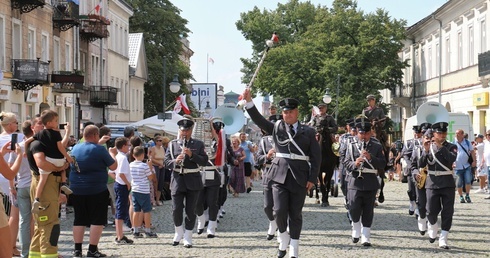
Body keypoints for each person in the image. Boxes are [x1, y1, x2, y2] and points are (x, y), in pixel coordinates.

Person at [242, 88, 320, 258]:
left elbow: (316, 157)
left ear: (297, 112)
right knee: (278, 210)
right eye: (285, 112)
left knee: (295, 213)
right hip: (279, 175)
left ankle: (294, 248)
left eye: (291, 112)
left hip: (300, 177)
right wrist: (249, 102)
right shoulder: (277, 128)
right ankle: (283, 237)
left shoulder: (309, 132)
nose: (287, 115)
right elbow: (260, 121)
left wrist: (312, 178)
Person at [70, 125, 117, 257]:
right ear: (96, 135)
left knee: (79, 219)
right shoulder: (100, 149)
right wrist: (112, 154)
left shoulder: (75, 148)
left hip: (77, 189)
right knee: (97, 220)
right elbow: (114, 166)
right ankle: (92, 249)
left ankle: (77, 250)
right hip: (96, 189)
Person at [27, 114, 69, 258]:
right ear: (34, 128)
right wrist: (59, 168)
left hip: (50, 185)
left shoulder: (45, 143)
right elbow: (42, 164)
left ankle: (35, 254)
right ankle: (49, 255)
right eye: (39, 123)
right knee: (50, 226)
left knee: (41, 227)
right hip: (45, 185)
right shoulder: (37, 144)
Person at [165, 118, 208, 248]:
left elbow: (204, 161)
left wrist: (191, 155)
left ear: (191, 130)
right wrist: (175, 161)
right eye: (182, 130)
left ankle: (188, 236)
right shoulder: (172, 144)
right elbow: (166, 162)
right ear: (180, 130)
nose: (184, 133)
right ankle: (178, 232)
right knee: (176, 209)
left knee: (191, 210)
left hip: (193, 180)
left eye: (187, 130)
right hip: (178, 179)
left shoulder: (198, 144)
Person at [344, 119, 386, 247]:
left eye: (366, 133)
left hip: (370, 180)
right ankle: (356, 227)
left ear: (370, 133)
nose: (364, 136)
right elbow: (345, 162)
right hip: (355, 180)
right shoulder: (350, 145)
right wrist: (354, 163)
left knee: (368, 210)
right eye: (361, 133)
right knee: (354, 207)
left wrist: (370, 157)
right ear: (357, 133)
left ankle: (366, 235)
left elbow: (383, 163)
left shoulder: (377, 145)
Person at [418, 122, 457, 249]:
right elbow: (421, 163)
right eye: (439, 133)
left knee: (447, 211)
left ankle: (443, 238)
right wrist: (425, 150)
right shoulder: (429, 147)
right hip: (432, 183)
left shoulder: (451, 146)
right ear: (434, 134)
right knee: (430, 210)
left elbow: (451, 159)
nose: (442, 135)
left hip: (447, 183)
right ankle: (433, 226)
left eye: (444, 133)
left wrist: (440, 146)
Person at [29, 110, 74, 214]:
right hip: (58, 159)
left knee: (42, 180)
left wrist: (24, 150)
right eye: (56, 121)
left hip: (48, 160)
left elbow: (29, 140)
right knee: (63, 168)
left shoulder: (40, 134)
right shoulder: (56, 133)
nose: (57, 123)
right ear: (49, 123)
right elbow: (60, 147)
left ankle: (37, 199)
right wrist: (67, 157)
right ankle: (64, 183)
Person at [196, 118, 226, 238]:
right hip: (199, 173)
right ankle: (201, 219)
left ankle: (211, 227)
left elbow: (220, 143)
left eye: (210, 132)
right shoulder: (198, 143)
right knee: (198, 202)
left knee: (212, 202)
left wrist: (213, 130)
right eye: (206, 131)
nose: (208, 134)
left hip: (212, 172)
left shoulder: (216, 143)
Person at [309, 103, 338, 206]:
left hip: (328, 135)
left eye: (323, 108)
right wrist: (318, 130)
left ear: (326, 109)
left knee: (336, 145)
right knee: (313, 144)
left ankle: (337, 160)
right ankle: (311, 159)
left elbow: (335, 128)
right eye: (320, 108)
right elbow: (311, 127)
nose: (321, 110)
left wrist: (328, 130)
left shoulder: (330, 118)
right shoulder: (316, 118)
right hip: (319, 135)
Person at [110, 137, 134, 245]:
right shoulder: (123, 158)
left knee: (120, 209)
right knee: (120, 210)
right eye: (128, 145)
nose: (129, 147)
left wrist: (118, 180)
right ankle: (119, 236)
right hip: (123, 186)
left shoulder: (117, 157)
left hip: (119, 184)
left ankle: (120, 235)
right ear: (123, 146)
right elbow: (121, 174)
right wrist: (127, 183)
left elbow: (111, 172)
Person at [129, 146, 157, 238]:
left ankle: (135, 230)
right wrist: (150, 167)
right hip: (144, 190)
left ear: (133, 155)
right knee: (146, 211)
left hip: (134, 189)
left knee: (136, 210)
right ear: (142, 155)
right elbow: (150, 177)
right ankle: (147, 230)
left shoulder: (131, 165)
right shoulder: (144, 166)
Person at [255, 128, 277, 240]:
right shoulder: (263, 141)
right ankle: (273, 222)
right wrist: (267, 157)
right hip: (268, 173)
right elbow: (258, 158)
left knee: (282, 206)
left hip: (283, 173)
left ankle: (283, 229)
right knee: (268, 206)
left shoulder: (285, 138)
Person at [411, 125, 432, 235]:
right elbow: (414, 166)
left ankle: (431, 224)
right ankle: (422, 218)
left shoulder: (438, 149)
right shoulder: (417, 150)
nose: (428, 140)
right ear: (422, 138)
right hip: (421, 180)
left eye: (430, 138)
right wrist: (415, 174)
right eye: (426, 137)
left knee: (432, 205)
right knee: (422, 203)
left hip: (434, 181)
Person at [401, 125, 423, 215]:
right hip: (411, 169)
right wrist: (410, 165)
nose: (417, 135)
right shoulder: (409, 143)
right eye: (415, 133)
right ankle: (412, 202)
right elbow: (406, 155)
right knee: (411, 189)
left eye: (418, 133)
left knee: (420, 189)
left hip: (422, 169)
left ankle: (418, 206)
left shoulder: (424, 142)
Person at [453, 129, 476, 203]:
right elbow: (450, 154)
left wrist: (474, 161)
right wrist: (451, 163)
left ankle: (467, 195)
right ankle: (461, 196)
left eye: (458, 133)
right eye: (456, 133)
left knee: (468, 181)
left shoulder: (467, 142)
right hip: (457, 166)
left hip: (466, 165)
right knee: (459, 183)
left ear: (462, 134)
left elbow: (472, 152)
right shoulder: (453, 143)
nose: (456, 135)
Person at [148, 135, 166, 206]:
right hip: (155, 166)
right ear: (156, 141)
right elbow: (151, 158)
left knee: (161, 183)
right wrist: (159, 163)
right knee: (155, 182)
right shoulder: (153, 148)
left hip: (162, 166)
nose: (161, 142)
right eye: (159, 140)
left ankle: (158, 199)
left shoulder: (162, 149)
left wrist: (163, 164)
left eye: (161, 140)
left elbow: (164, 157)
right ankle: (154, 200)